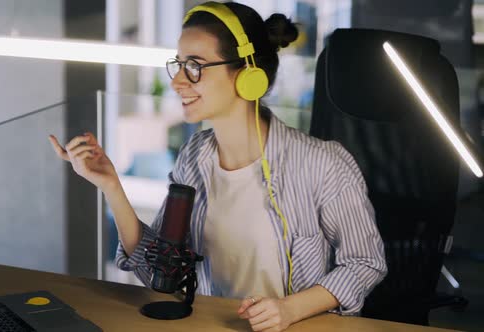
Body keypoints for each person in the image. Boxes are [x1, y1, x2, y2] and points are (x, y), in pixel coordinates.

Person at [49, 1, 387, 331]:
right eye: (177, 64)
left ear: (247, 74)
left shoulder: (322, 164)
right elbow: (160, 269)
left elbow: (365, 263)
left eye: (194, 66)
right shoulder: (195, 157)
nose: (177, 81)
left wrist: (289, 310)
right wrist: (111, 185)